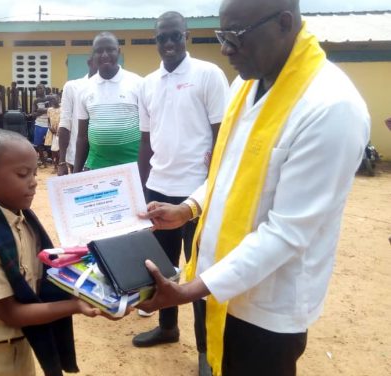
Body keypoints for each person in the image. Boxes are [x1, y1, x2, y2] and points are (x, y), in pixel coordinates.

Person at [137, 1, 370, 375]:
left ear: (284, 23)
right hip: (218, 282)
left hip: (266, 307)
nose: (226, 49)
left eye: (236, 37)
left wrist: (187, 291)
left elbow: (288, 232)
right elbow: (229, 171)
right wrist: (189, 208)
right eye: (221, 36)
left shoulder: (331, 108)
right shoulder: (247, 84)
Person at [0, 129, 100, 376]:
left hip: (21, 349)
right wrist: (76, 305)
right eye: (22, 174)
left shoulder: (27, 226)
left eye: (34, 173)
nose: (33, 182)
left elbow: (43, 282)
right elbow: (10, 313)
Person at [133, 11, 229, 376]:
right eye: (162, 38)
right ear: (154, 40)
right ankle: (167, 327)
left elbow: (222, 135)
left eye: (175, 36)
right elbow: (145, 141)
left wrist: (212, 188)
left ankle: (205, 351)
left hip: (197, 195)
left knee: (200, 271)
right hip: (159, 186)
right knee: (162, 269)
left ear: (186, 36)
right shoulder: (148, 84)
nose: (169, 44)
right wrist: (140, 190)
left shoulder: (208, 74)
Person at [73, 32, 143, 172]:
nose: (104, 55)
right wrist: (76, 172)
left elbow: (149, 132)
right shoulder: (84, 88)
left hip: (132, 166)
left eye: (110, 49)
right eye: (99, 51)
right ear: (93, 55)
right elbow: (82, 136)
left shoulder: (138, 83)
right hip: (97, 166)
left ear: (118, 51)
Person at [57, 57, 98, 176]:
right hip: (77, 157)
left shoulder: (110, 89)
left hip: (102, 157)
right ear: (90, 62)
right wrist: (61, 162)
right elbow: (65, 124)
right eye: (98, 61)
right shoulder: (73, 87)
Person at [31, 83, 50, 167]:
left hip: (49, 125)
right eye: (38, 88)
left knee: (52, 145)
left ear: (44, 89)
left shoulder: (49, 99)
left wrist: (41, 110)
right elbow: (33, 114)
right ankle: (43, 161)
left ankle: (54, 161)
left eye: (41, 88)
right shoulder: (35, 101)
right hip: (39, 124)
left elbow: (53, 110)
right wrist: (43, 111)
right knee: (38, 145)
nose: (39, 90)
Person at [47, 94, 62, 172]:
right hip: (52, 132)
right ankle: (55, 166)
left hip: (60, 131)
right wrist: (50, 128)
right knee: (53, 150)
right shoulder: (49, 110)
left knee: (59, 150)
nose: (55, 100)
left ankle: (59, 165)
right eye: (53, 99)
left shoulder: (62, 109)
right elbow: (48, 122)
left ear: (59, 99)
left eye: (56, 98)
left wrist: (59, 130)